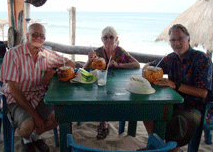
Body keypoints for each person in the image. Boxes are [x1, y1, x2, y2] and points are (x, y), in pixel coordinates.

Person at [0, 23, 75, 152]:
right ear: (27, 35)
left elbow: (71, 63)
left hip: (37, 97)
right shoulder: (13, 54)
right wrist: (36, 117)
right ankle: (26, 139)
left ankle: (35, 136)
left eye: (42, 36)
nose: (38, 38)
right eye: (35, 34)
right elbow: (14, 90)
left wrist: (54, 71)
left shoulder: (46, 54)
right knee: (28, 125)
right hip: (15, 100)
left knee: (59, 116)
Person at [142, 24, 212, 152]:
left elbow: (202, 93)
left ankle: (171, 150)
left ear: (188, 40)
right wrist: (147, 69)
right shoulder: (171, 58)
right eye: (173, 40)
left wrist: (174, 84)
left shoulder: (202, 60)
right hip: (173, 102)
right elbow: (151, 65)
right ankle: (158, 145)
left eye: (180, 39)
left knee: (178, 122)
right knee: (147, 109)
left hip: (194, 107)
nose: (176, 43)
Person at [84, 26, 140, 140]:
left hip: (118, 83)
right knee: (101, 97)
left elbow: (137, 64)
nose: (108, 40)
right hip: (100, 81)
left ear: (116, 39)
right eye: (105, 37)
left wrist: (118, 65)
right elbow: (85, 70)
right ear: (101, 39)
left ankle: (120, 120)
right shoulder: (98, 52)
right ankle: (104, 123)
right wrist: (89, 61)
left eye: (111, 37)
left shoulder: (120, 51)